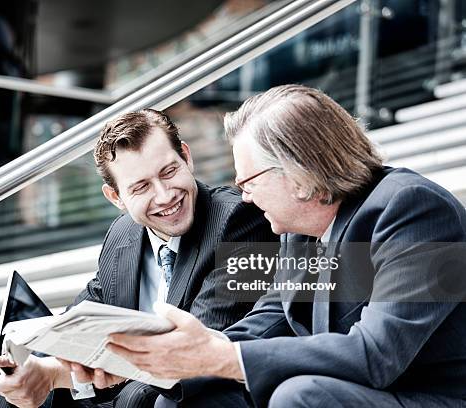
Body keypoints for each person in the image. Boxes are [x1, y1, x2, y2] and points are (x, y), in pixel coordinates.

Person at [102, 85, 466, 407]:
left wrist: (223, 358)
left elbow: (376, 353)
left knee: (299, 395)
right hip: (354, 389)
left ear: (298, 173)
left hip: (430, 393)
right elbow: (270, 318)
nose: (244, 197)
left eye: (249, 182)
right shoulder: (301, 229)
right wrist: (181, 359)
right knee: (196, 396)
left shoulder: (411, 210)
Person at [0, 109, 277, 408]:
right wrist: (39, 363)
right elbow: (84, 315)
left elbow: (194, 353)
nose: (165, 195)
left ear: (186, 157)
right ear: (116, 198)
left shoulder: (239, 220)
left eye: (168, 172)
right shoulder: (123, 234)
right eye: (141, 187)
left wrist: (56, 375)